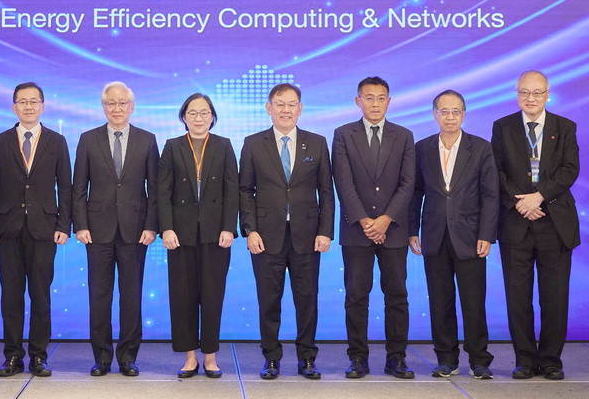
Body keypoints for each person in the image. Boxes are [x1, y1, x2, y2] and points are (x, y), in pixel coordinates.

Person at [239, 83, 335, 380]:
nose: (285, 110)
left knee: (307, 300)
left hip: (307, 235)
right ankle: (271, 358)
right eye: (279, 104)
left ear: (300, 109)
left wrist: (326, 231)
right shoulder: (253, 143)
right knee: (269, 300)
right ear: (269, 108)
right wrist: (250, 230)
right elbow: (245, 190)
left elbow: (326, 192)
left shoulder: (317, 143)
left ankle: (307, 358)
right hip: (266, 236)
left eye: (291, 104)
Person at [492, 70, 580, 380]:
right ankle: (525, 359)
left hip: (555, 223)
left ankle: (552, 360)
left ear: (547, 95)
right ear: (517, 94)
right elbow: (496, 171)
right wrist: (521, 203)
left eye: (537, 92)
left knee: (554, 296)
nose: (531, 98)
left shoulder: (564, 127)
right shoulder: (502, 127)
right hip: (516, 222)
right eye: (525, 92)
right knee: (518, 297)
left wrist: (539, 197)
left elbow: (570, 169)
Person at [0, 82, 71, 378]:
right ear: (14, 107)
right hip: (7, 228)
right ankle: (12, 356)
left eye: (34, 101)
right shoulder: (0, 141)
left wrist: (64, 225)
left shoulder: (57, 141)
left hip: (44, 228)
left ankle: (38, 356)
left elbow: (66, 187)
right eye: (23, 101)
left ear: (43, 106)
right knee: (11, 295)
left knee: (40, 295)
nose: (29, 106)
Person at [408, 90, 498, 379]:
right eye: (444, 111)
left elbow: (491, 195)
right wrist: (412, 229)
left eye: (455, 111)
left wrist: (487, 233)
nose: (450, 117)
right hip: (434, 235)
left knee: (474, 301)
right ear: (435, 114)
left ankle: (479, 360)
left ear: (464, 114)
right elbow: (415, 192)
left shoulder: (480, 148)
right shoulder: (422, 148)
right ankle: (446, 359)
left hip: (471, 236)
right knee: (440, 301)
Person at [72, 81, 159, 377]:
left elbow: (155, 188)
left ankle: (127, 357)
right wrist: (80, 224)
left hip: (135, 231)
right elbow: (78, 186)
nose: (117, 108)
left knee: (131, 296)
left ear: (132, 107)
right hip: (96, 231)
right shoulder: (88, 139)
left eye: (122, 103)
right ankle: (102, 357)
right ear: (103, 107)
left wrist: (152, 226)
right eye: (111, 103)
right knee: (99, 296)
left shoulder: (147, 140)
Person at [332, 76, 415, 379]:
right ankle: (358, 358)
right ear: (358, 101)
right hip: (357, 231)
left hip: (394, 230)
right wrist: (366, 221)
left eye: (381, 98)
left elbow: (408, 183)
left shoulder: (404, 136)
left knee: (397, 296)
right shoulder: (343, 134)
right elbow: (343, 182)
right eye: (369, 98)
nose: (375, 104)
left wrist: (386, 219)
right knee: (356, 297)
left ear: (389, 102)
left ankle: (397, 358)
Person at [157, 93, 238, 378]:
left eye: (204, 113)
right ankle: (190, 356)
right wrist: (166, 228)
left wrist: (229, 227)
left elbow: (232, 190)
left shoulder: (224, 145)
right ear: (184, 117)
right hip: (180, 234)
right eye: (192, 113)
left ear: (212, 117)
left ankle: (211, 356)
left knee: (212, 296)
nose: (199, 118)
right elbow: (162, 191)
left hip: (216, 234)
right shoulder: (172, 146)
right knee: (183, 297)